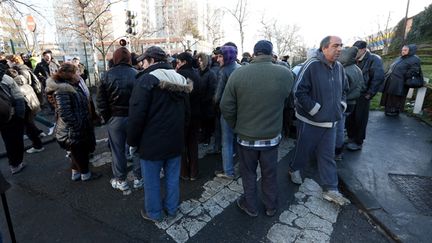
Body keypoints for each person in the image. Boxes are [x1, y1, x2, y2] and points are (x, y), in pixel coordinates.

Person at [220, 40, 293, 217]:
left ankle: (250, 206)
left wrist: (236, 125)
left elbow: (225, 106)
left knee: (248, 173)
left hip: (246, 137)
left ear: (254, 53)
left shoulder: (239, 74)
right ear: (271, 53)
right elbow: (289, 102)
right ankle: (270, 206)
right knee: (269, 173)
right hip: (271, 137)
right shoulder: (286, 74)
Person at [127, 46, 191, 222]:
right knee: (172, 177)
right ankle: (172, 208)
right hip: (175, 140)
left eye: (144, 61)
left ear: (152, 60)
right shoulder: (180, 79)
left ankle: (154, 212)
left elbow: (136, 114)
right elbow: (187, 114)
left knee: (152, 180)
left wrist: (132, 140)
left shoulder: (146, 80)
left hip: (151, 142)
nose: (142, 65)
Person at [288, 36, 350, 206]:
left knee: (327, 156)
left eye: (341, 46)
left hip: (331, 123)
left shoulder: (339, 67)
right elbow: (298, 92)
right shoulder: (312, 65)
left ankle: (331, 189)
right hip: (310, 121)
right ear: (324, 48)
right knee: (303, 150)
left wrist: (341, 106)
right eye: (335, 46)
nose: (339, 49)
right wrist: (315, 110)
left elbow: (345, 90)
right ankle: (294, 168)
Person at [45, 63, 99, 181]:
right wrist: (77, 125)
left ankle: (76, 173)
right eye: (76, 72)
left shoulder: (71, 86)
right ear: (70, 74)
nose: (79, 75)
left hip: (76, 126)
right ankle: (86, 174)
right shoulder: (63, 89)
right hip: (72, 128)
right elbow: (65, 113)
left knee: (77, 152)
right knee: (80, 152)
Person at [97, 47, 141, 192]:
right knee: (136, 149)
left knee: (118, 151)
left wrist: (107, 118)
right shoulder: (137, 74)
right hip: (133, 117)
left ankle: (121, 180)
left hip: (115, 118)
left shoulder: (106, 75)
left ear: (115, 59)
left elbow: (101, 101)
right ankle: (138, 179)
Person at [345, 40, 384, 151]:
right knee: (350, 117)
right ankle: (351, 137)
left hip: (363, 94)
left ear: (363, 50)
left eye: (356, 50)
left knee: (360, 118)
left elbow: (378, 77)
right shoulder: (354, 59)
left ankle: (358, 141)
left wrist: (370, 94)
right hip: (353, 94)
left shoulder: (374, 59)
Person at [6, 55, 45, 153]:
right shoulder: (21, 72)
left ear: (13, 61)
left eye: (8, 61)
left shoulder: (19, 72)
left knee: (27, 124)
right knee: (29, 122)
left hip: (27, 101)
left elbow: (26, 82)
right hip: (30, 99)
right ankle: (38, 134)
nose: (7, 64)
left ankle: (38, 145)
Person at [214, 44, 241, 180]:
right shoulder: (240, 68)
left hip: (227, 111)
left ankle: (228, 171)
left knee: (226, 141)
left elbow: (218, 95)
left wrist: (213, 103)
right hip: (240, 110)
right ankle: (237, 161)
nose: (217, 59)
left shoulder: (224, 71)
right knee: (237, 139)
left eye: (220, 56)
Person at [176, 51, 202, 181]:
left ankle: (184, 172)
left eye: (178, 62)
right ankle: (194, 172)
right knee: (193, 144)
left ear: (184, 62)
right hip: (196, 113)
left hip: (183, 115)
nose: (177, 64)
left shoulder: (179, 75)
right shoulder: (196, 74)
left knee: (182, 144)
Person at [335, 47, 363, 160]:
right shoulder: (357, 69)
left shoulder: (345, 71)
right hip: (352, 103)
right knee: (341, 126)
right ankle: (338, 151)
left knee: (338, 128)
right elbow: (361, 87)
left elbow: (340, 91)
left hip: (344, 104)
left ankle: (337, 152)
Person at [380, 44, 423, 116]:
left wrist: (404, 75)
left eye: (405, 50)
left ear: (411, 51)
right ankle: (388, 109)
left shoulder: (415, 59)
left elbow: (414, 70)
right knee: (390, 96)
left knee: (396, 97)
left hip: (401, 82)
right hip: (393, 80)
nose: (403, 51)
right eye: (402, 50)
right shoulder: (401, 57)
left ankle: (394, 111)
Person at [0, 63, 26, 174]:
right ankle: (16, 163)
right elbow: (18, 97)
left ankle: (14, 163)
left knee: (8, 140)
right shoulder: (6, 79)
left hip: (2, 117)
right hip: (12, 114)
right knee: (17, 139)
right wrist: (21, 115)